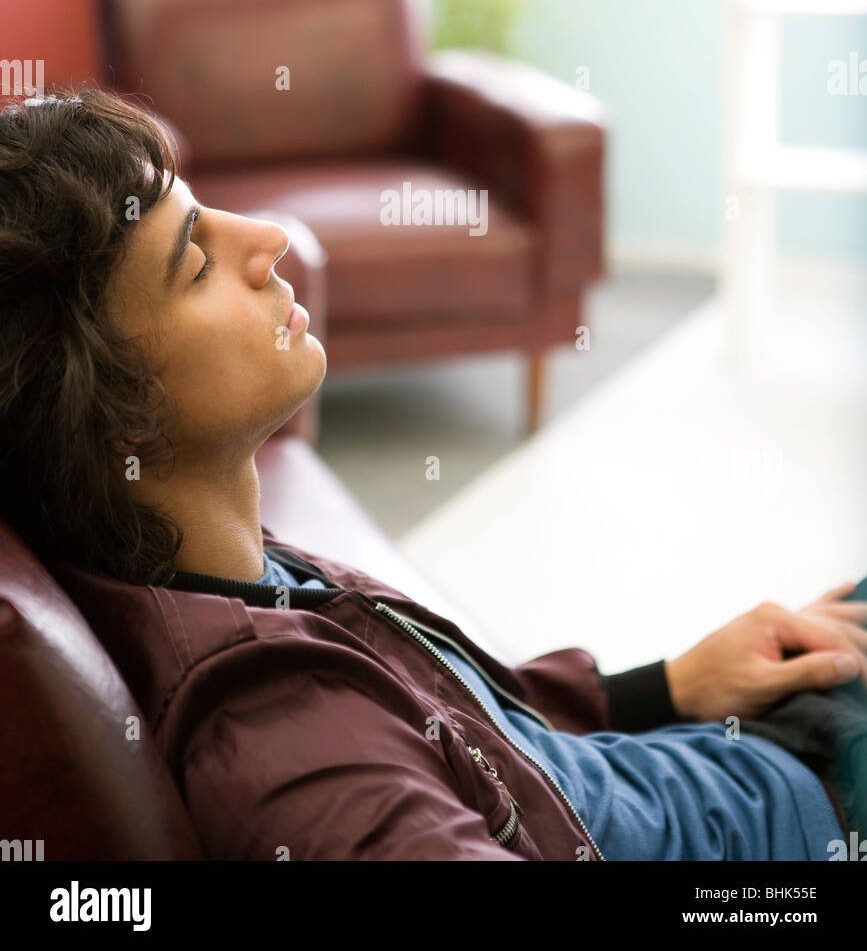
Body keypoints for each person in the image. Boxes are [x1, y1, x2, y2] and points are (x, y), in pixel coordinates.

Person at [1, 88, 865, 862]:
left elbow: (468, 738)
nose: (266, 238)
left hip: (735, 755)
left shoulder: (218, 575)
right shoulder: (291, 732)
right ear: (107, 405)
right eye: (194, 261)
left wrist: (667, 685)